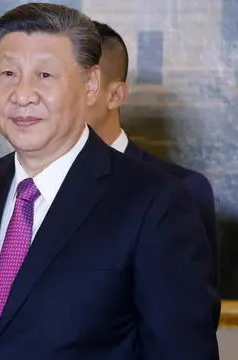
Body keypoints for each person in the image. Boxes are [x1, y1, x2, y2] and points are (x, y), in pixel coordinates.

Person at [0, 3, 218, 359]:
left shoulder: (155, 202)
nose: (22, 95)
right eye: (7, 73)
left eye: (45, 75)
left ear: (91, 85)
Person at [86, 20, 219, 286]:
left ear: (115, 95)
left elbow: (186, 319)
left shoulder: (182, 190)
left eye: (76, 84)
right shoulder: (19, 188)